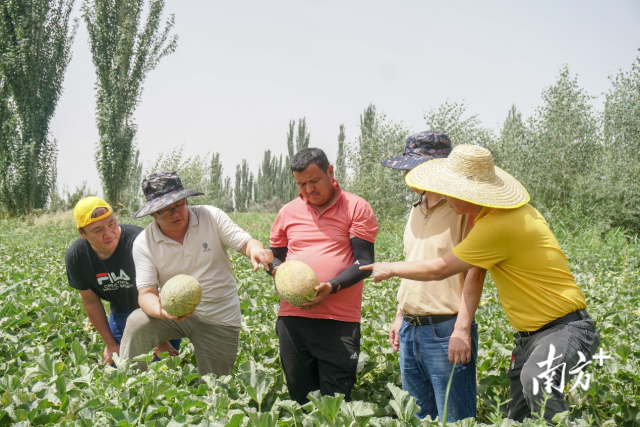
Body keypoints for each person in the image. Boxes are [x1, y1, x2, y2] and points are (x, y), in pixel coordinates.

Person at [362, 144, 600, 423]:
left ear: (468, 192)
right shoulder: (498, 216)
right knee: (517, 416)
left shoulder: (497, 226)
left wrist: (389, 268)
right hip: (530, 336)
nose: (446, 196)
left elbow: (441, 268)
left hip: (564, 328)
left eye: (451, 190)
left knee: (538, 381)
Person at [119, 171, 273, 377]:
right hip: (173, 314)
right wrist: (164, 312)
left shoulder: (210, 216)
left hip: (219, 316)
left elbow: (246, 243)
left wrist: (256, 250)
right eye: (167, 210)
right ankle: (128, 385)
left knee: (215, 388)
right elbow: (146, 294)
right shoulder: (144, 242)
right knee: (137, 324)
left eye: (180, 204)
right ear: (153, 214)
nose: (176, 213)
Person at [381, 131, 483, 421]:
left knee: (454, 418)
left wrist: (462, 328)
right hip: (410, 329)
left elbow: (476, 272)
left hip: (446, 330)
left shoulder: (465, 210)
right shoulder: (416, 208)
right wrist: (400, 314)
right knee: (417, 417)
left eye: (413, 166)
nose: (407, 173)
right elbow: (413, 264)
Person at [267, 147, 378, 404]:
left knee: (336, 402)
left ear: (330, 172)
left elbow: (364, 261)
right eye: (301, 183)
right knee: (300, 398)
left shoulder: (355, 207)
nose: (308, 189)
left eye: (314, 181)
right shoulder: (288, 212)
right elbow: (276, 258)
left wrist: (332, 285)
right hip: (293, 320)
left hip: (338, 321)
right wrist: (275, 270)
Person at [65, 196, 180, 367]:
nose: (109, 233)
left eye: (111, 223)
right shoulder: (77, 257)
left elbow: (165, 286)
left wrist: (160, 338)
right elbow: (91, 302)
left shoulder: (139, 241)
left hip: (159, 308)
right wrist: (110, 343)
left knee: (162, 369)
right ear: (82, 233)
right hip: (122, 312)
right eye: (97, 230)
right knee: (120, 369)